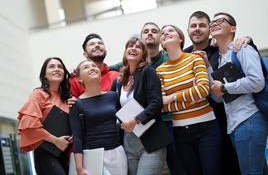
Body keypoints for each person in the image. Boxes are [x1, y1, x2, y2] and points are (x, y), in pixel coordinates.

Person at [111, 22, 184, 175]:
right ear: (125, 52)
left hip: (151, 140)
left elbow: (156, 103)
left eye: (138, 47)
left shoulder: (148, 72)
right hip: (129, 142)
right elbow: (114, 108)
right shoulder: (119, 81)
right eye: (130, 46)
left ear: (143, 54)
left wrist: (135, 119)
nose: (133, 48)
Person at [156, 25, 222, 175]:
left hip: (207, 129)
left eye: (170, 30)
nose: (166, 33)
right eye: (163, 33)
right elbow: (163, 106)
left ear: (180, 38)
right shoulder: (159, 71)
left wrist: (172, 97)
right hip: (180, 133)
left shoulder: (195, 59)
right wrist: (193, 97)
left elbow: (204, 90)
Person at [184, 11, 241, 175]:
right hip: (195, 126)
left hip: (225, 121)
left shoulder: (220, 50)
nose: (197, 29)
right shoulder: (183, 56)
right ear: (187, 30)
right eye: (193, 26)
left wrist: (246, 40)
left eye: (202, 25)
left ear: (210, 30)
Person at [210, 12, 268, 175]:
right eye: (212, 23)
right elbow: (218, 94)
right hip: (234, 124)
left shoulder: (242, 48)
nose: (214, 24)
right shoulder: (220, 58)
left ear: (233, 28)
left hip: (250, 117)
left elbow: (257, 82)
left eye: (220, 21)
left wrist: (225, 87)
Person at [69, 60, 127, 175]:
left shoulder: (113, 96)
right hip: (93, 156)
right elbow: (77, 138)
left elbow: (124, 122)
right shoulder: (76, 104)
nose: (91, 68)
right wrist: (79, 168)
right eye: (86, 67)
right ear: (79, 79)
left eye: (94, 66)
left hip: (117, 153)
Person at [17, 57, 72, 175]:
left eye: (60, 67)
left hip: (64, 154)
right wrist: (56, 141)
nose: (57, 69)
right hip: (45, 153)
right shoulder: (38, 94)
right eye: (52, 66)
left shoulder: (67, 98)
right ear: (45, 75)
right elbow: (31, 126)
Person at [69, 33, 119, 98]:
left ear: (106, 51)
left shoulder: (116, 76)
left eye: (100, 43)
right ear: (85, 54)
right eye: (92, 44)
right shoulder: (75, 80)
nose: (97, 45)